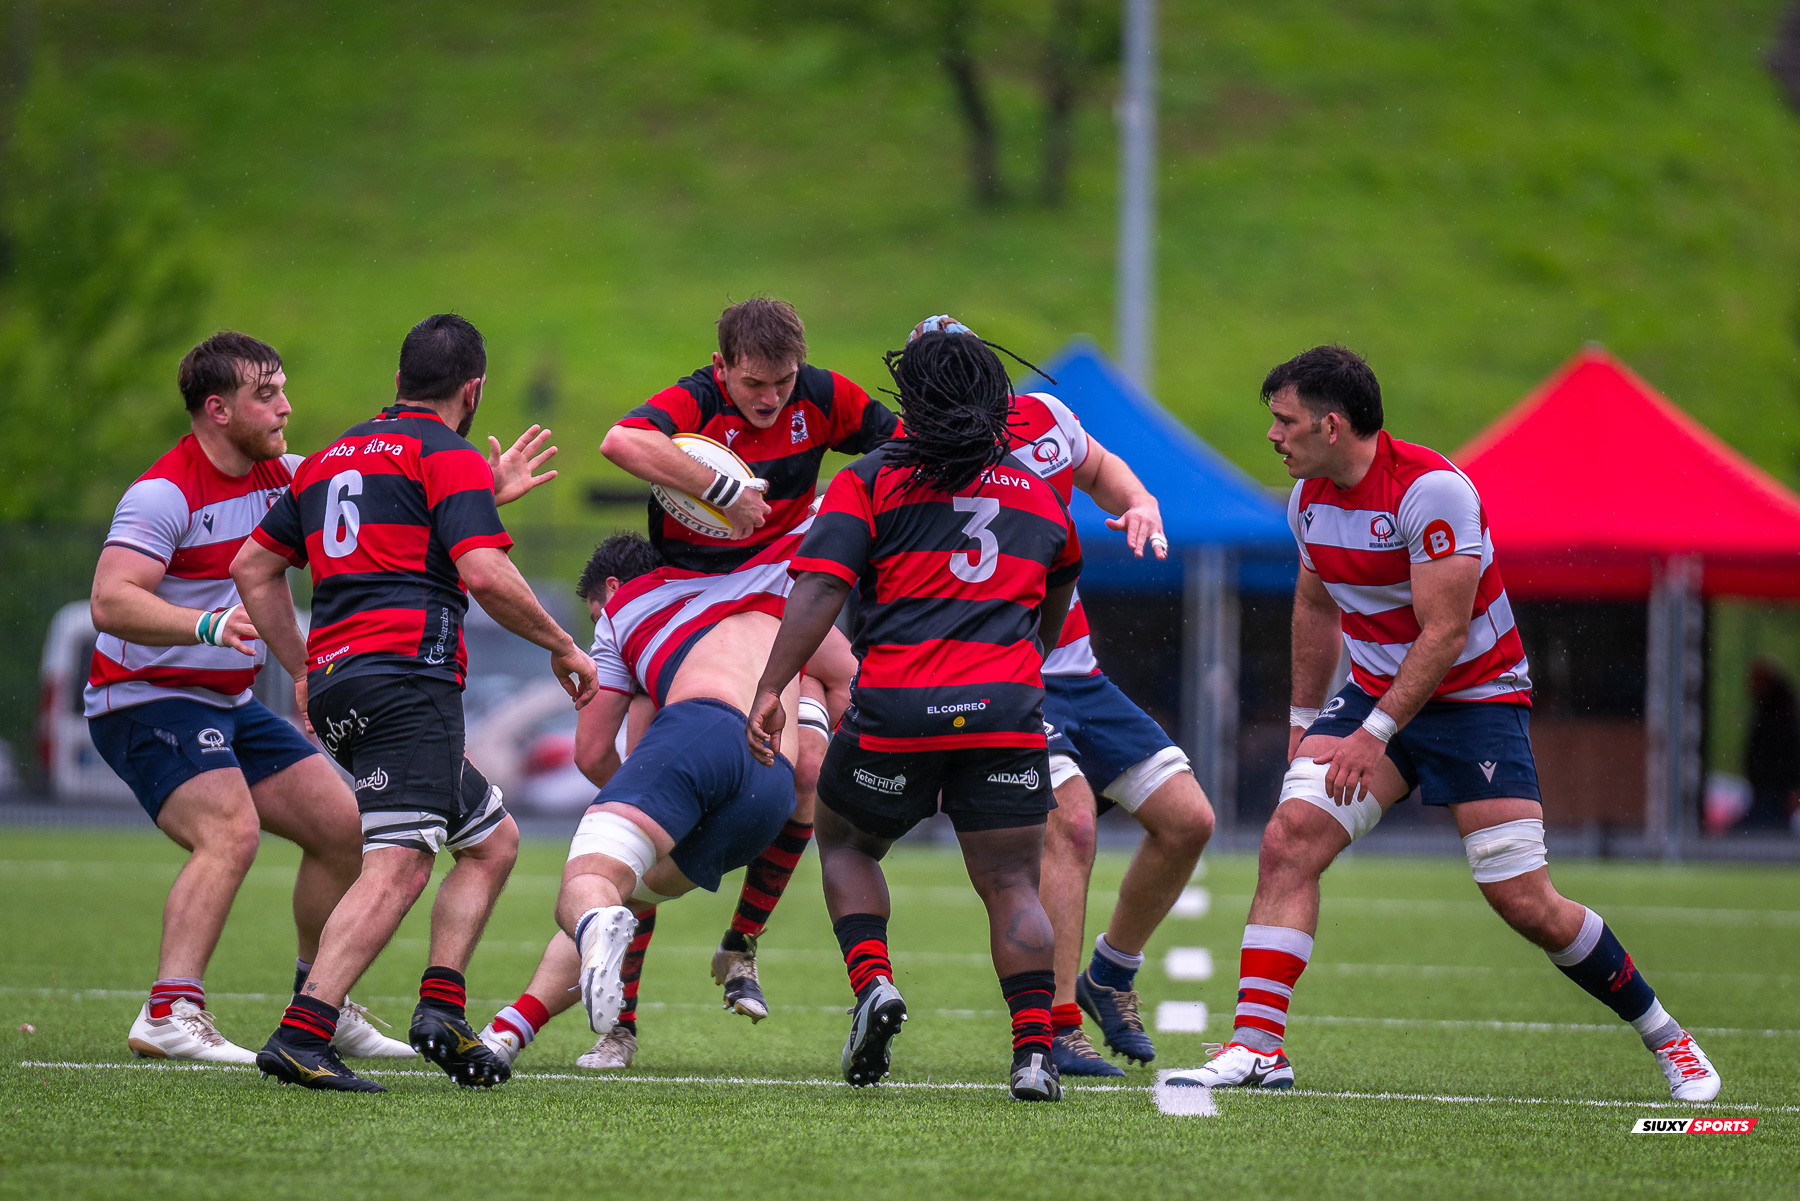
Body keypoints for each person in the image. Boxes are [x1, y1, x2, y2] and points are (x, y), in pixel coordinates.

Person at [1168, 345, 1721, 1102]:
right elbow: (1315, 605)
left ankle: (1670, 1037)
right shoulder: (1308, 500)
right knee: (1289, 839)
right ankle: (1258, 1046)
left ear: (1332, 425)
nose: (1273, 434)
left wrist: (1373, 734)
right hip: (1372, 692)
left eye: (1283, 420)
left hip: (1474, 700)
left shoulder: (1432, 492)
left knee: (1524, 900)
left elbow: (1445, 634)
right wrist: (1306, 722)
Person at [232, 313, 599, 1092]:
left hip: (341, 684)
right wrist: (564, 646)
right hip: (408, 679)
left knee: (492, 840)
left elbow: (252, 567)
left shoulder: (328, 456)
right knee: (399, 863)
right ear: (474, 390)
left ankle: (441, 1010)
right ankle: (305, 1030)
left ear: (398, 381)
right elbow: (486, 574)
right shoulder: (446, 452)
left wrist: (300, 666)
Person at [747, 329, 1083, 1102]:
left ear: (915, 403)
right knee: (1011, 881)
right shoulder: (1040, 493)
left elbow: (820, 591)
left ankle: (874, 983)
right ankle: (1034, 1054)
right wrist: (1008, 661)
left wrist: (772, 684)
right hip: (1005, 710)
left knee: (843, 840)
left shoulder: (867, 482)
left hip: (898, 708)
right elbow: (1053, 605)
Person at [85, 331, 411, 1065]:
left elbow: (383, 497)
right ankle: (168, 1009)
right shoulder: (163, 492)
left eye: (282, 389)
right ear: (217, 410)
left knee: (346, 828)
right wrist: (203, 623)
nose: (286, 408)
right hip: (143, 699)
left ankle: (318, 1003)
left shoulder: (286, 477)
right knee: (230, 830)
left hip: (224, 704)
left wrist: (477, 488)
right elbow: (109, 600)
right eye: (266, 394)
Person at [908, 316, 1216, 1078]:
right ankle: (1057, 1024)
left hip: (1076, 669)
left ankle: (1109, 974)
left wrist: (1141, 501)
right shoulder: (911, 452)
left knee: (1188, 820)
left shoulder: (1043, 419)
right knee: (1071, 825)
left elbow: (1104, 467)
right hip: (1000, 676)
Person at [596, 296, 895, 1020]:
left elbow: (905, 447)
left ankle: (743, 942)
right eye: (753, 383)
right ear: (720, 364)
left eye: (782, 383)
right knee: (644, 794)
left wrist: (844, 498)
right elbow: (619, 442)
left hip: (780, 590)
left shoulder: (823, 395)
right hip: (683, 604)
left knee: (815, 767)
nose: (769, 398)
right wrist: (724, 489)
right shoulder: (694, 399)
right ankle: (621, 1023)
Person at [477, 531, 834, 1071]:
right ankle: (509, 1031)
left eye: (597, 612)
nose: (600, 622)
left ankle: (607, 1008)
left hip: (704, 731)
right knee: (636, 896)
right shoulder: (779, 587)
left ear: (615, 588)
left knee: (592, 886)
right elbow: (843, 676)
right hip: (771, 795)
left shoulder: (633, 606)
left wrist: (644, 798)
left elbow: (593, 752)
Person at [1742, 657, 1800, 832]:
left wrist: (1794, 787)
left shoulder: (1781, 717)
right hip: (1767, 790)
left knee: (1761, 831)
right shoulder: (1769, 711)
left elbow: (1792, 752)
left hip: (1775, 792)